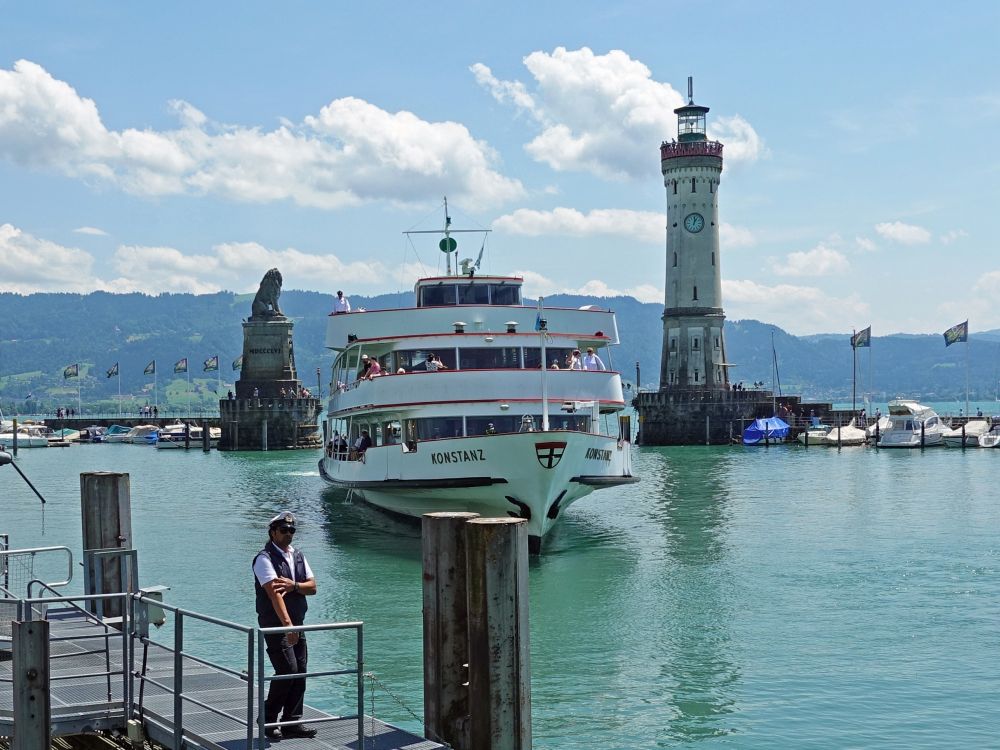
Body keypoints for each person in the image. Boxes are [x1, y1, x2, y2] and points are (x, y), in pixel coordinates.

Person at [252, 512, 318, 740]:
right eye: (284, 530)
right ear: (273, 532)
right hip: (276, 625)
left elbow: (312, 587)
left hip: (298, 622)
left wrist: (294, 586)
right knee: (286, 670)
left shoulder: (298, 556)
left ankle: (292, 722)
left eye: (292, 530)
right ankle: (268, 717)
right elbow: (273, 594)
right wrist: (287, 626)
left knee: (300, 671)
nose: (289, 534)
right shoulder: (264, 558)